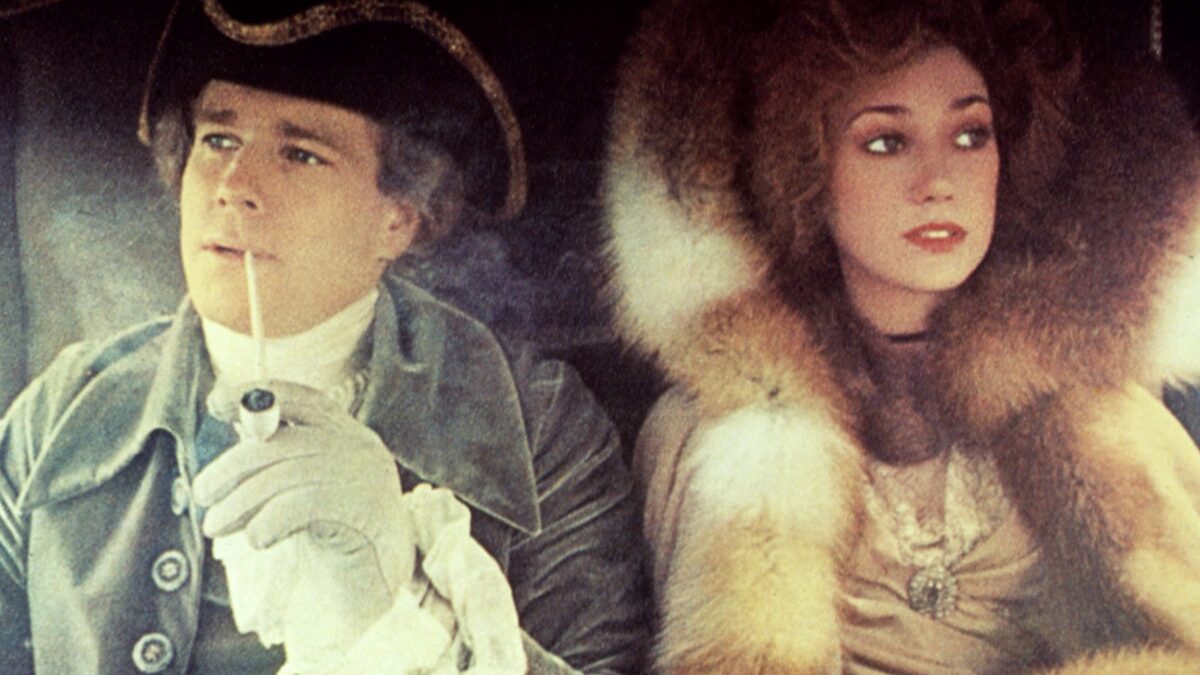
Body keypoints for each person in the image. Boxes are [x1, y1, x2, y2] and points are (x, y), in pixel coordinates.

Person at [0, 0, 647, 672]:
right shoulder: (60, 414)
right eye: (218, 140)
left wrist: (401, 613)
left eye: (301, 154)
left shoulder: (539, 430)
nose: (234, 185)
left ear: (398, 219)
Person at [604, 0, 1200, 672]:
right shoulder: (716, 440)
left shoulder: (1109, 422)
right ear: (805, 173)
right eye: (886, 142)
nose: (939, 182)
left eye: (971, 134)